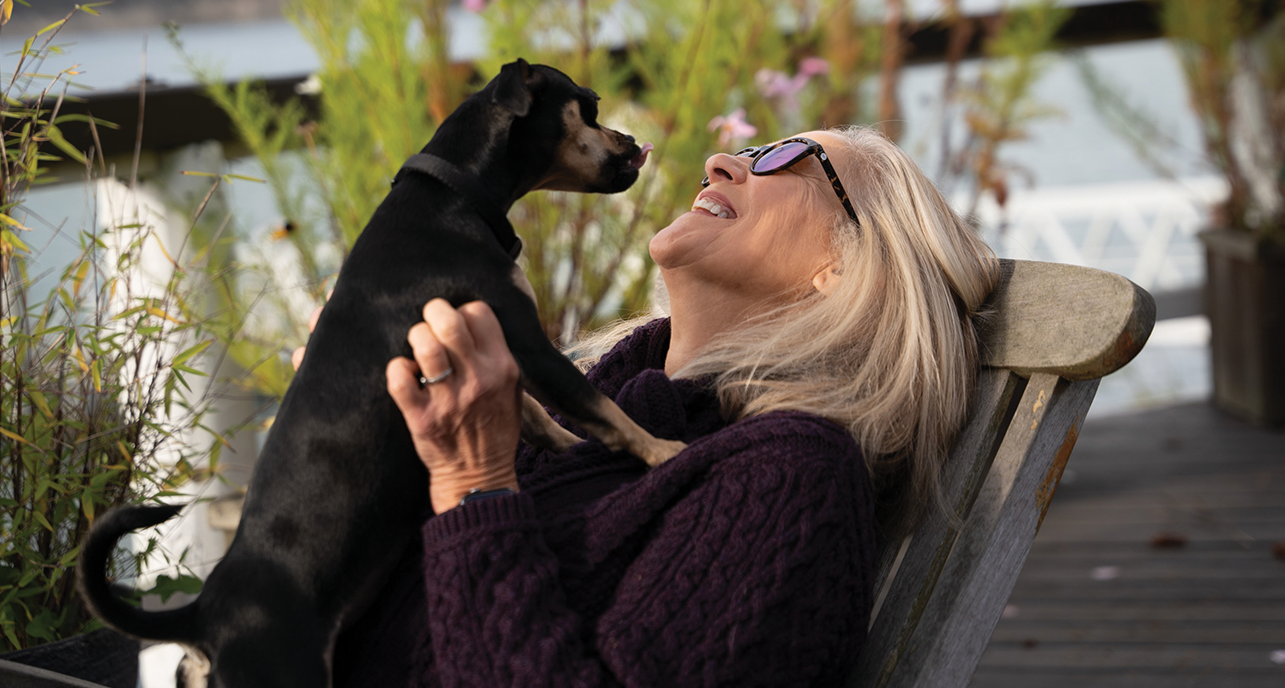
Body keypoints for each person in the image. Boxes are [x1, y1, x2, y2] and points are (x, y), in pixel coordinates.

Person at [299, 126, 1001, 687]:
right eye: (749, 150)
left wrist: (473, 484)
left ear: (844, 265)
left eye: (790, 158)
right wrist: (369, 434)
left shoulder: (792, 478)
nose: (722, 161)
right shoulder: (580, 420)